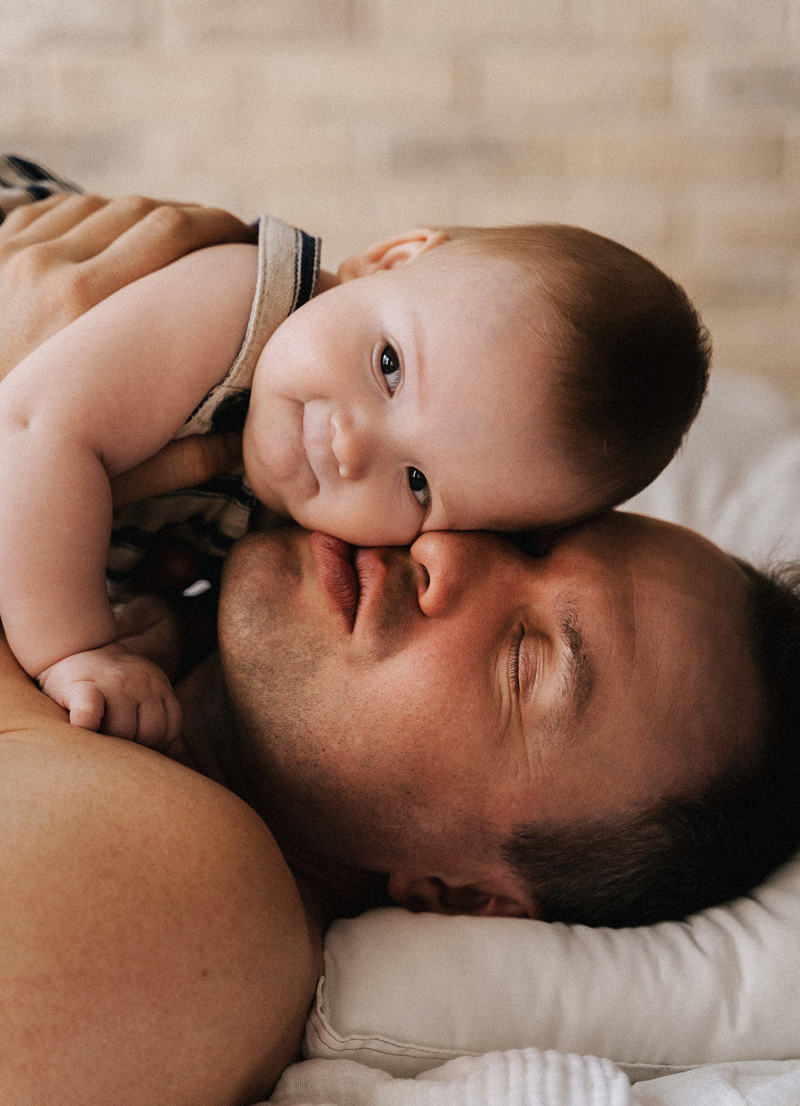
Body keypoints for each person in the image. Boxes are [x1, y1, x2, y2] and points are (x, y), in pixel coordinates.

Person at [1, 190, 799, 1106]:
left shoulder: (192, 917)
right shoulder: (158, 536)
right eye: (514, 533)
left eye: (526, 662)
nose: (440, 556)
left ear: (463, 896)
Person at [0, 157, 710, 750]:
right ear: (388, 261)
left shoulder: (313, 530)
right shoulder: (241, 306)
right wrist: (76, 646)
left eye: (418, 483)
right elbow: (35, 428)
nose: (348, 445)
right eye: (390, 367)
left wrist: (151, 623)